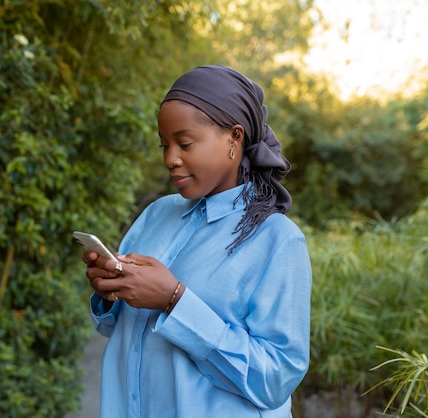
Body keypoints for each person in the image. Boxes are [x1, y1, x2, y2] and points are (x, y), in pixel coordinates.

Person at [82, 64, 312, 417]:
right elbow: (115, 327)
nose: (170, 159)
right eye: (164, 144)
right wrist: (109, 293)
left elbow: (275, 380)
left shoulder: (276, 239)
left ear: (234, 137)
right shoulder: (157, 215)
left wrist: (174, 300)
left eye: (184, 143)